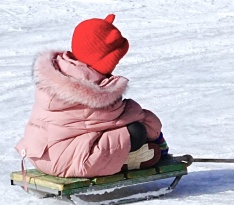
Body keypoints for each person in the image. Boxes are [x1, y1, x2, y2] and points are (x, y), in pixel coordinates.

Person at [16, 14, 169, 177]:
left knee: (115, 131)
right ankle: (127, 160)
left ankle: (122, 158)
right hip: (67, 161)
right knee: (136, 130)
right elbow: (122, 117)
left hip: (39, 154)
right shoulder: (92, 91)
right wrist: (155, 131)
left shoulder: (60, 70)